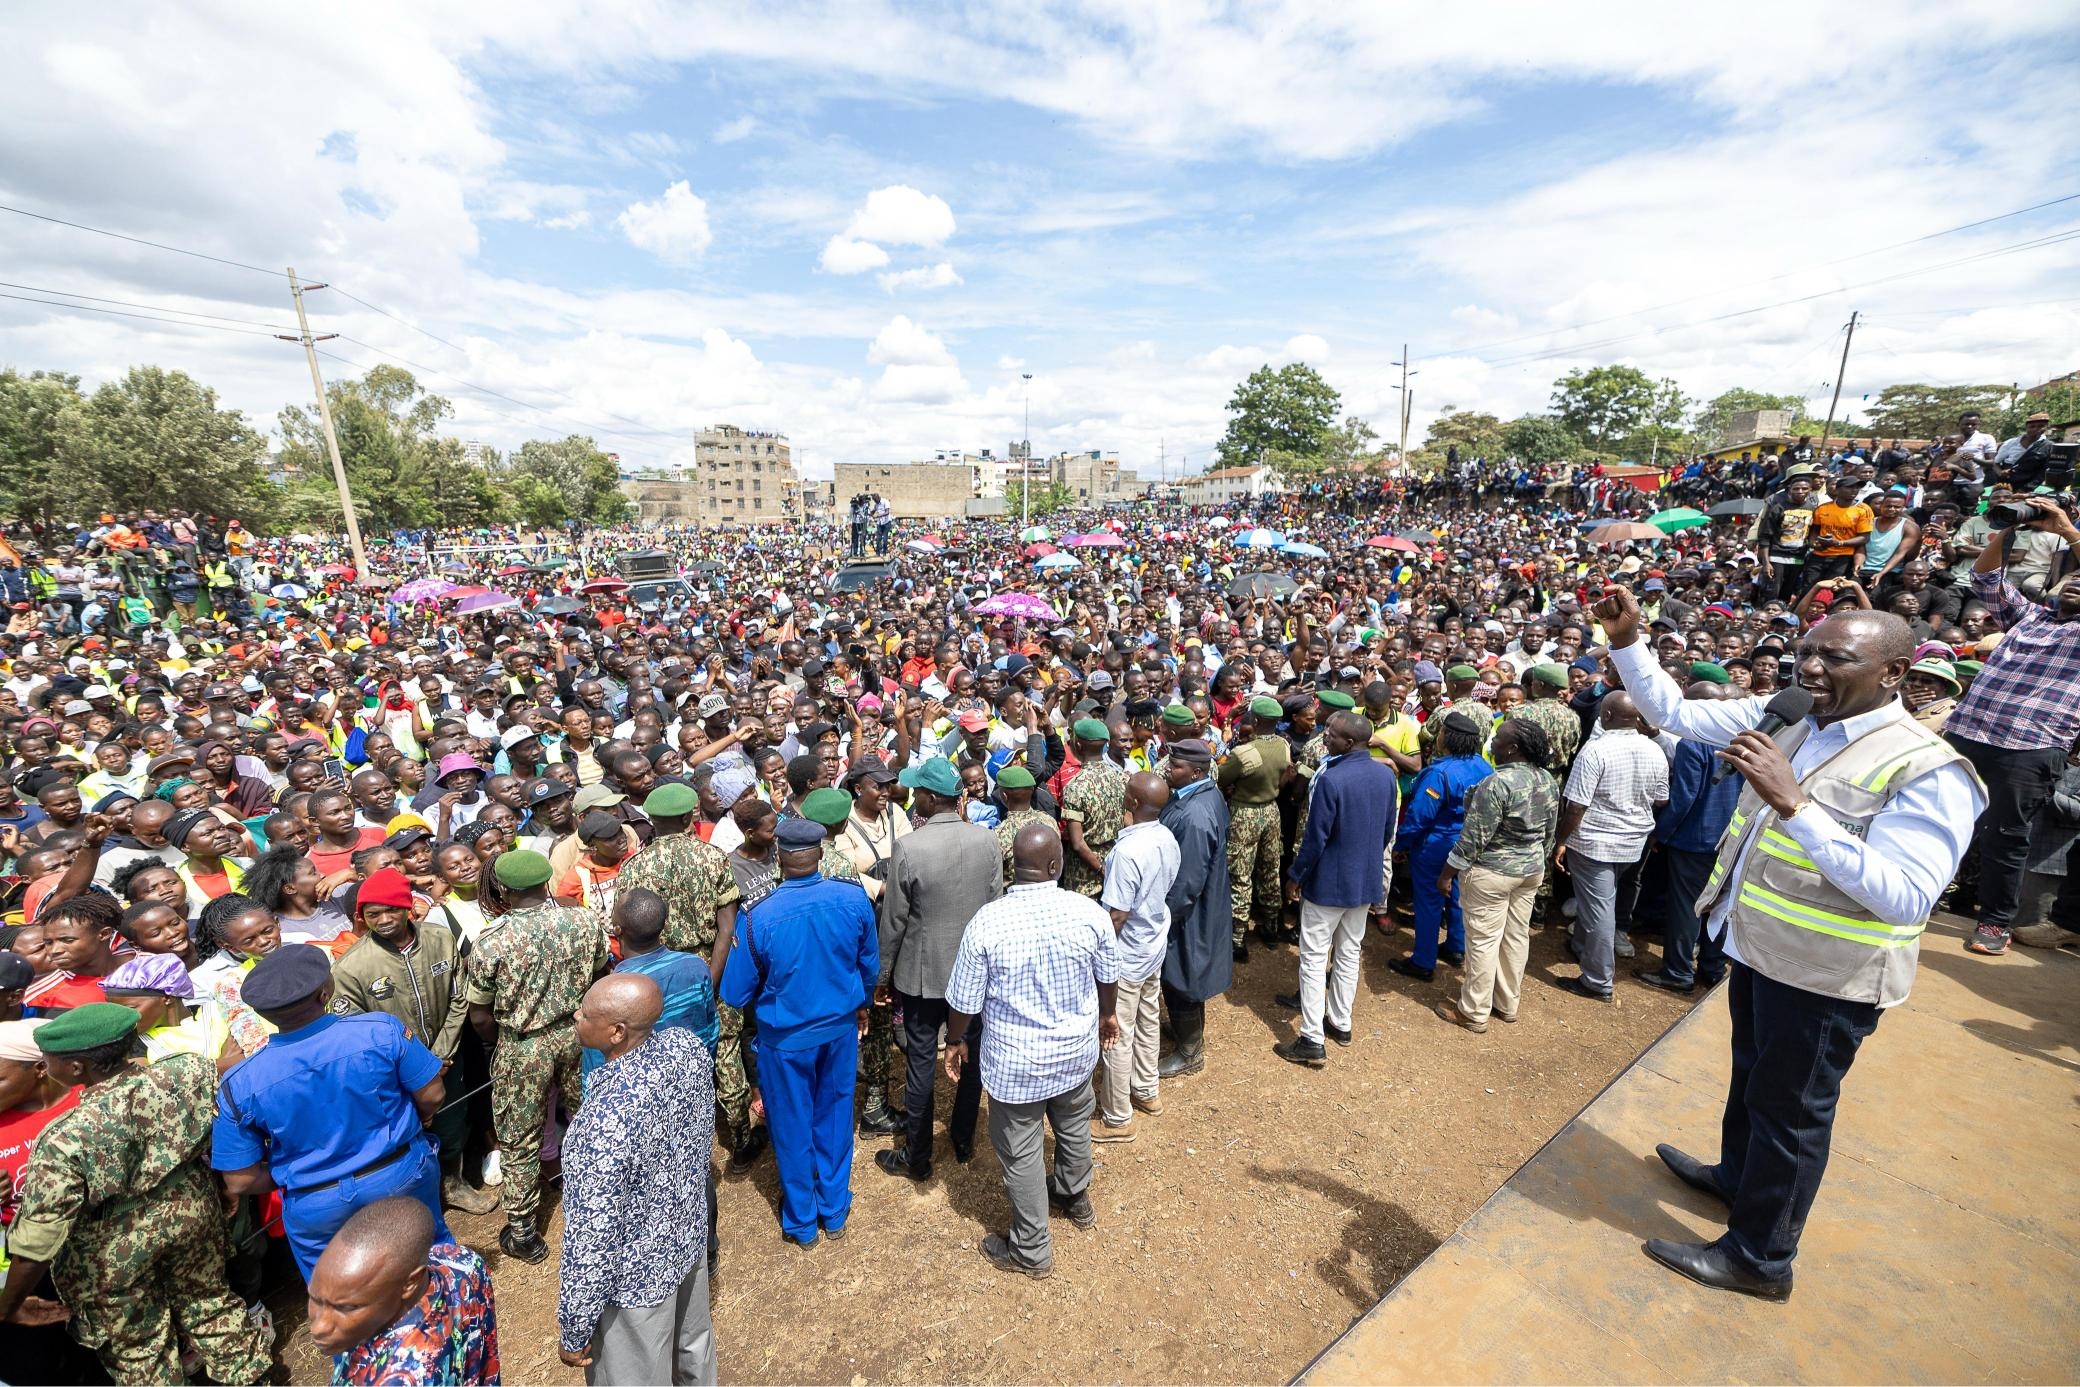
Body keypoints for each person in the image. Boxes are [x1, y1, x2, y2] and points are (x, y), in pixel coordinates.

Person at [1593, 585, 1982, 1299]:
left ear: (1894, 672)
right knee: (1752, 1079)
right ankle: (1736, 1179)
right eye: (1806, 651)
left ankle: (1760, 1259)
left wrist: (1794, 803)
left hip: (1828, 978)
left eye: (1835, 657)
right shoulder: (1795, 717)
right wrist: (1627, 642)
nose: (1809, 667)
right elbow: (1675, 713)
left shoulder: (1927, 768)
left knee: (1791, 1114)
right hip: (1761, 948)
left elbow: (1905, 893)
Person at [0, 1004, 271, 1385]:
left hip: (114, 1258)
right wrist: (224, 1186)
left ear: (76, 1068)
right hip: (193, 1216)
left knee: (139, 1348)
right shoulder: (187, 1071)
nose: (45, 1065)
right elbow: (219, 1128)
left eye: (49, 1060)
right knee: (211, 1306)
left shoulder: (64, 1138)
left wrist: (10, 1305)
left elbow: (40, 1236)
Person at [213, 943, 452, 1278]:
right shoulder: (380, 1030)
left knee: (341, 1296)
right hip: (399, 1175)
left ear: (263, 1014)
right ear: (325, 992)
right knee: (433, 1270)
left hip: (316, 1206)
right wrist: (421, 1118)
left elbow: (240, 1179)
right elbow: (433, 1094)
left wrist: (304, 1177)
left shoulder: (238, 1082)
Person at [944, 821, 1119, 1277]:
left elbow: (964, 1001)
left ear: (1013, 867)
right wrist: (1108, 1015)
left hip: (1016, 1065)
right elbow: (1108, 973)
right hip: (1074, 1054)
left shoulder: (988, 922)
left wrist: (955, 1040)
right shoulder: (1088, 912)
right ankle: (1074, 1197)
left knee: (1022, 1154)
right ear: (1056, 865)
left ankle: (1032, 1250)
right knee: (1074, 1126)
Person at [719, 818, 877, 1248]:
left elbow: (734, 992)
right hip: (839, 1031)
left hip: (785, 1041)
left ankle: (803, 1222)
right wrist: (860, 1003)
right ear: (821, 855)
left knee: (791, 1126)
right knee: (835, 1116)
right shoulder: (852, 897)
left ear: (779, 859)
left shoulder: (758, 914)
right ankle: (834, 1210)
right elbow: (869, 966)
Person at [560, 974, 717, 1386]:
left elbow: (592, 1240)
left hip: (636, 1285)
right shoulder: (686, 1048)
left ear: (617, 1032)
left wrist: (575, 1328)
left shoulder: (600, 1122)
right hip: (688, 1241)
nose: (575, 1016)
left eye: (585, 1014)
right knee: (694, 1355)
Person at [1945, 497, 2080, 955]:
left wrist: (2067, 530)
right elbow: (1985, 578)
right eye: (2072, 579)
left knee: (2004, 836)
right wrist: (2011, 525)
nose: (2076, 584)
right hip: (1966, 734)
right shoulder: (2031, 617)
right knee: (1939, 817)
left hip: (2030, 747)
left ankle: (1995, 922)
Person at [465, 848, 612, 1262]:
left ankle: (524, 1233)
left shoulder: (491, 940)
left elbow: (480, 1015)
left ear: (504, 889)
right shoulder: (582, 920)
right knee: (589, 1118)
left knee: (520, 1138)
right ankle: (601, 1193)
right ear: (545, 881)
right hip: (579, 1033)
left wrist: (506, 1043)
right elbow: (602, 975)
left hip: (523, 1045)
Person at [329, 866, 498, 1215]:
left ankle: (452, 1183)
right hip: (393, 1071)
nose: (383, 920)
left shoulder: (439, 939)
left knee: (452, 1121)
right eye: (372, 914)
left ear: (407, 907)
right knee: (406, 1130)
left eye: (391, 910)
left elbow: (459, 998)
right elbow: (354, 1030)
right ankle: (418, 1200)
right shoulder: (351, 968)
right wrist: (416, 1065)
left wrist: (440, 1054)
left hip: (446, 1057)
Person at [875, 756, 1001, 1175]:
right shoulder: (987, 841)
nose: (914, 798)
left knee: (921, 1064)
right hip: (975, 973)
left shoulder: (910, 847)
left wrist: (882, 976)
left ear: (930, 799)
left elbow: (894, 921)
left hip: (922, 976)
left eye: (918, 793)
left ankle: (918, 1157)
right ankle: (963, 1139)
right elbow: (995, 907)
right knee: (973, 1057)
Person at [1275, 710, 1400, 1066]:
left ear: (1350, 742)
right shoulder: (1385, 775)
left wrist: (1296, 875)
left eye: (1331, 733)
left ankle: (1312, 1038)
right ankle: (1340, 1022)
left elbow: (1316, 839)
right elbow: (1387, 830)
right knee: (1349, 952)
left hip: (1328, 883)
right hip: (1365, 881)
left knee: (1314, 959)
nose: (1325, 735)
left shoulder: (1332, 779)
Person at [1433, 719, 1560, 1032]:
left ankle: (1473, 1011)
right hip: (1530, 871)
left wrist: (1447, 874)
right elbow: (1549, 832)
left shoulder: (1496, 783)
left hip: (1491, 874)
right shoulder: (1546, 779)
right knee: (1516, 937)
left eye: (1498, 738)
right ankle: (1506, 1004)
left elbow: (1472, 839)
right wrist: (1535, 861)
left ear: (1513, 748)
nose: (1492, 742)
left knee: (1483, 942)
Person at [308, 1196, 500, 1386]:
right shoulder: (461, 1261)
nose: (319, 1328)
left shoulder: (395, 1380)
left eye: (347, 1307)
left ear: (410, 1283)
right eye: (315, 1298)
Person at [1552, 692, 1668, 1002]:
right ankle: (1580, 946)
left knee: (1600, 911)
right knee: (1600, 900)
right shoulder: (1654, 749)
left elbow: (1576, 806)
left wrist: (1561, 841)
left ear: (1605, 716)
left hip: (1595, 844)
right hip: (1632, 843)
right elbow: (1662, 799)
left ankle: (1597, 981)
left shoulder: (1595, 750)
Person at [1634, 696, 1741, 997]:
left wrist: (1660, 833)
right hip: (1730, 838)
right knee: (1719, 905)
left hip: (1694, 841)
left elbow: (1683, 799)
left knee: (1686, 908)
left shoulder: (1692, 743)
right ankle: (1713, 967)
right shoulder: (1744, 739)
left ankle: (1677, 972)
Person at [1094, 770, 1176, 1140]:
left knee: (1117, 1032)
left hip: (1126, 955)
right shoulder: (1166, 836)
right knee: (1148, 1018)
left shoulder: (1126, 853)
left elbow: (1117, 915)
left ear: (1132, 802)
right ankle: (1146, 1090)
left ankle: (1117, 1117)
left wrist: (1098, 955)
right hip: (1153, 943)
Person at [1392, 712, 1492, 983]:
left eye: (1442, 732)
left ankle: (1423, 961)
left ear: (1448, 738)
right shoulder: (1484, 766)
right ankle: (1456, 947)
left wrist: (1403, 843)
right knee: (1458, 896)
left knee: (1429, 902)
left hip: (1436, 846)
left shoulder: (1439, 773)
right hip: (1468, 844)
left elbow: (1420, 815)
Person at [1156, 739, 1230, 1079]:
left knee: (1182, 975)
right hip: (1198, 906)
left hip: (1189, 912)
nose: (1169, 770)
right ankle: (1187, 1031)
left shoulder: (1195, 815)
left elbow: (1187, 881)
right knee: (1187, 973)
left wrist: (1165, 918)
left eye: (1176, 766)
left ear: (1197, 772)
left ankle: (1190, 1052)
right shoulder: (1198, 795)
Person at [1218, 696, 1291, 956]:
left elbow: (1221, 778)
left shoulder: (1244, 752)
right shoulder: (1284, 745)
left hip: (1244, 813)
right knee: (1270, 869)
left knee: (1240, 874)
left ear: (1256, 721)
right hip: (1271, 811)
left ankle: (1237, 938)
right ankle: (1271, 927)